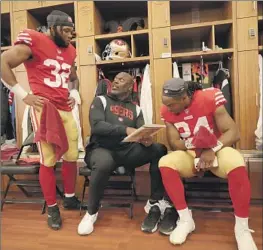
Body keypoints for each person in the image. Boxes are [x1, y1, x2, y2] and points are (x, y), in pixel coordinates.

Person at [1, 10, 82, 231]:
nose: (69, 35)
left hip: (65, 107)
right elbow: (3, 61)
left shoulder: (70, 50)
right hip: (44, 108)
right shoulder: (35, 40)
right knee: (48, 158)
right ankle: (52, 206)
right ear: (52, 28)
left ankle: (70, 197)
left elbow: (73, 77)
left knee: (72, 155)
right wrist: (22, 94)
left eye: (71, 31)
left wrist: (74, 93)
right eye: (65, 30)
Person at [158, 78, 258, 250]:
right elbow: (175, 143)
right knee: (165, 163)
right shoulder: (167, 110)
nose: (168, 108)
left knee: (236, 163)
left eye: (172, 104)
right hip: (192, 153)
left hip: (218, 149)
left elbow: (233, 133)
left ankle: (241, 229)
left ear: (184, 98)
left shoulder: (209, 97)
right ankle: (185, 219)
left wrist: (211, 148)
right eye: (166, 104)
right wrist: (198, 149)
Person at [77, 72, 178, 236]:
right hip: (101, 149)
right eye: (115, 80)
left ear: (130, 87)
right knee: (104, 163)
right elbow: (97, 126)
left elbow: (140, 130)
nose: (115, 82)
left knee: (159, 149)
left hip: (126, 151)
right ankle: (91, 213)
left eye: (121, 80)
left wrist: (146, 139)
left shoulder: (136, 109)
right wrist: (125, 129)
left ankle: (154, 200)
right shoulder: (101, 100)